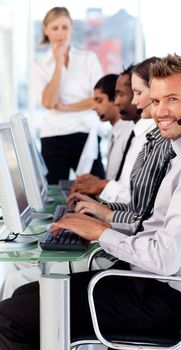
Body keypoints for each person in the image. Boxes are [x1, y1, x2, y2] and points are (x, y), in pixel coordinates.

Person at [0, 54, 181, 350]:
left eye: (172, 99)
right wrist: (99, 222)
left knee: (10, 317)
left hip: (156, 301)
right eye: (157, 100)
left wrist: (100, 232)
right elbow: (154, 229)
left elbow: (163, 258)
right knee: (24, 295)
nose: (160, 110)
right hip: (144, 286)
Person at [67, 57, 171, 225]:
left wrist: (103, 205)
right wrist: (99, 207)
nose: (116, 102)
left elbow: (140, 208)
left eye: (137, 93)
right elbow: (137, 206)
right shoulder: (141, 136)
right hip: (128, 223)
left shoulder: (156, 140)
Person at [32, 7, 105, 184]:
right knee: (53, 193)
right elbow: (49, 102)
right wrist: (58, 64)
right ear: (46, 30)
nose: (60, 33)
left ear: (71, 28)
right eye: (55, 28)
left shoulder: (88, 59)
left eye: (65, 27)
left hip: (85, 133)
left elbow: (99, 99)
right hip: (54, 136)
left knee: (97, 189)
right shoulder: (39, 65)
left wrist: (65, 107)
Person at [70, 65, 156, 203]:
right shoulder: (130, 133)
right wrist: (99, 183)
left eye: (138, 93)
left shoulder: (145, 136)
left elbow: (135, 199)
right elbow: (123, 185)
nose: (117, 102)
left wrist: (102, 185)